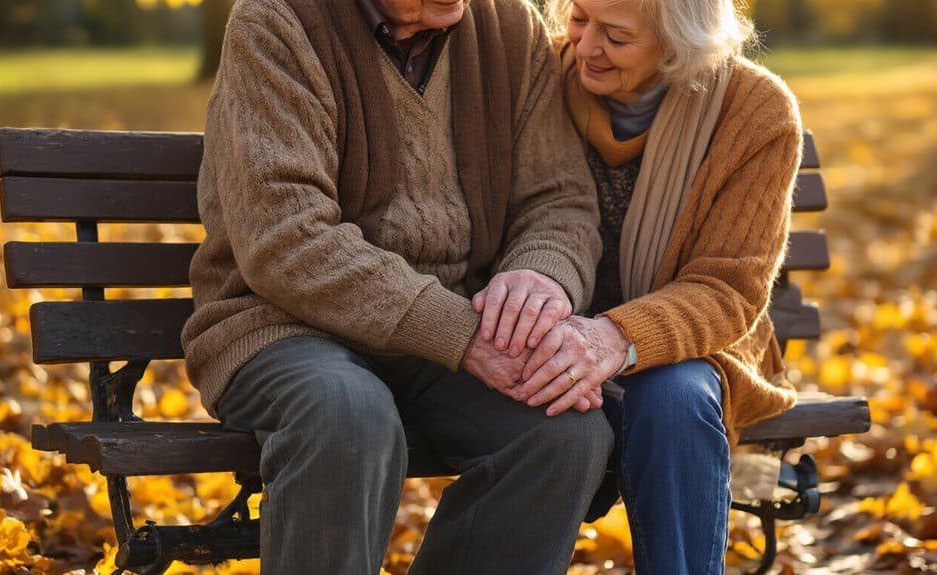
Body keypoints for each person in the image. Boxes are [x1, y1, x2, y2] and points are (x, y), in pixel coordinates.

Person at [179, 0, 614, 573]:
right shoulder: (277, 21)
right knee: (347, 414)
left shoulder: (511, 26)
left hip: (451, 333)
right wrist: (460, 333)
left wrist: (540, 277)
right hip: (283, 324)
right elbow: (285, 237)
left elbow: (558, 198)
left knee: (564, 432)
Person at [491, 0, 804, 572]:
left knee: (675, 398)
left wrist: (614, 336)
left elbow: (729, 287)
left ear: (678, 46)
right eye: (579, 19)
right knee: (544, 399)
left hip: (691, 344)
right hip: (543, 336)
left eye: (615, 35)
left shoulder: (754, 111)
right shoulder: (540, 79)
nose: (584, 47)